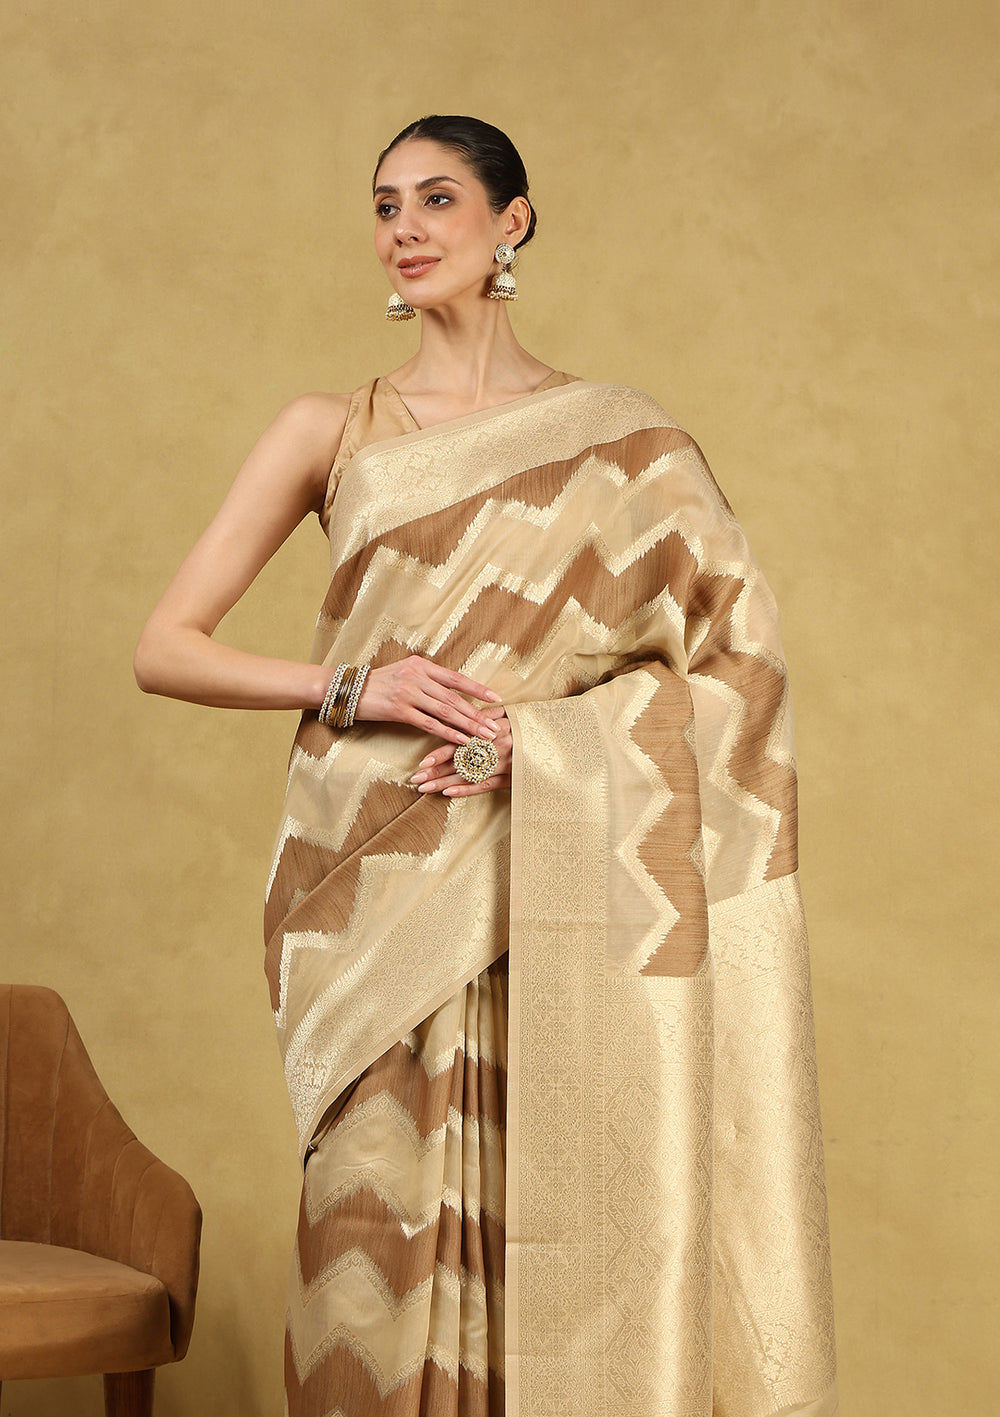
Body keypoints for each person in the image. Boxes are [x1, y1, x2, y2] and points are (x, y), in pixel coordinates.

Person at [135, 115, 837, 1417]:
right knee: (362, 1253)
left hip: (557, 887)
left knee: (558, 1225)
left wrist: (548, 744)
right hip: (371, 882)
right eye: (385, 204)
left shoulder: (625, 443)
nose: (404, 228)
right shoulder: (331, 429)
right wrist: (357, 685)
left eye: (438, 199)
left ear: (512, 222)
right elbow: (165, 645)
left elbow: (738, 671)